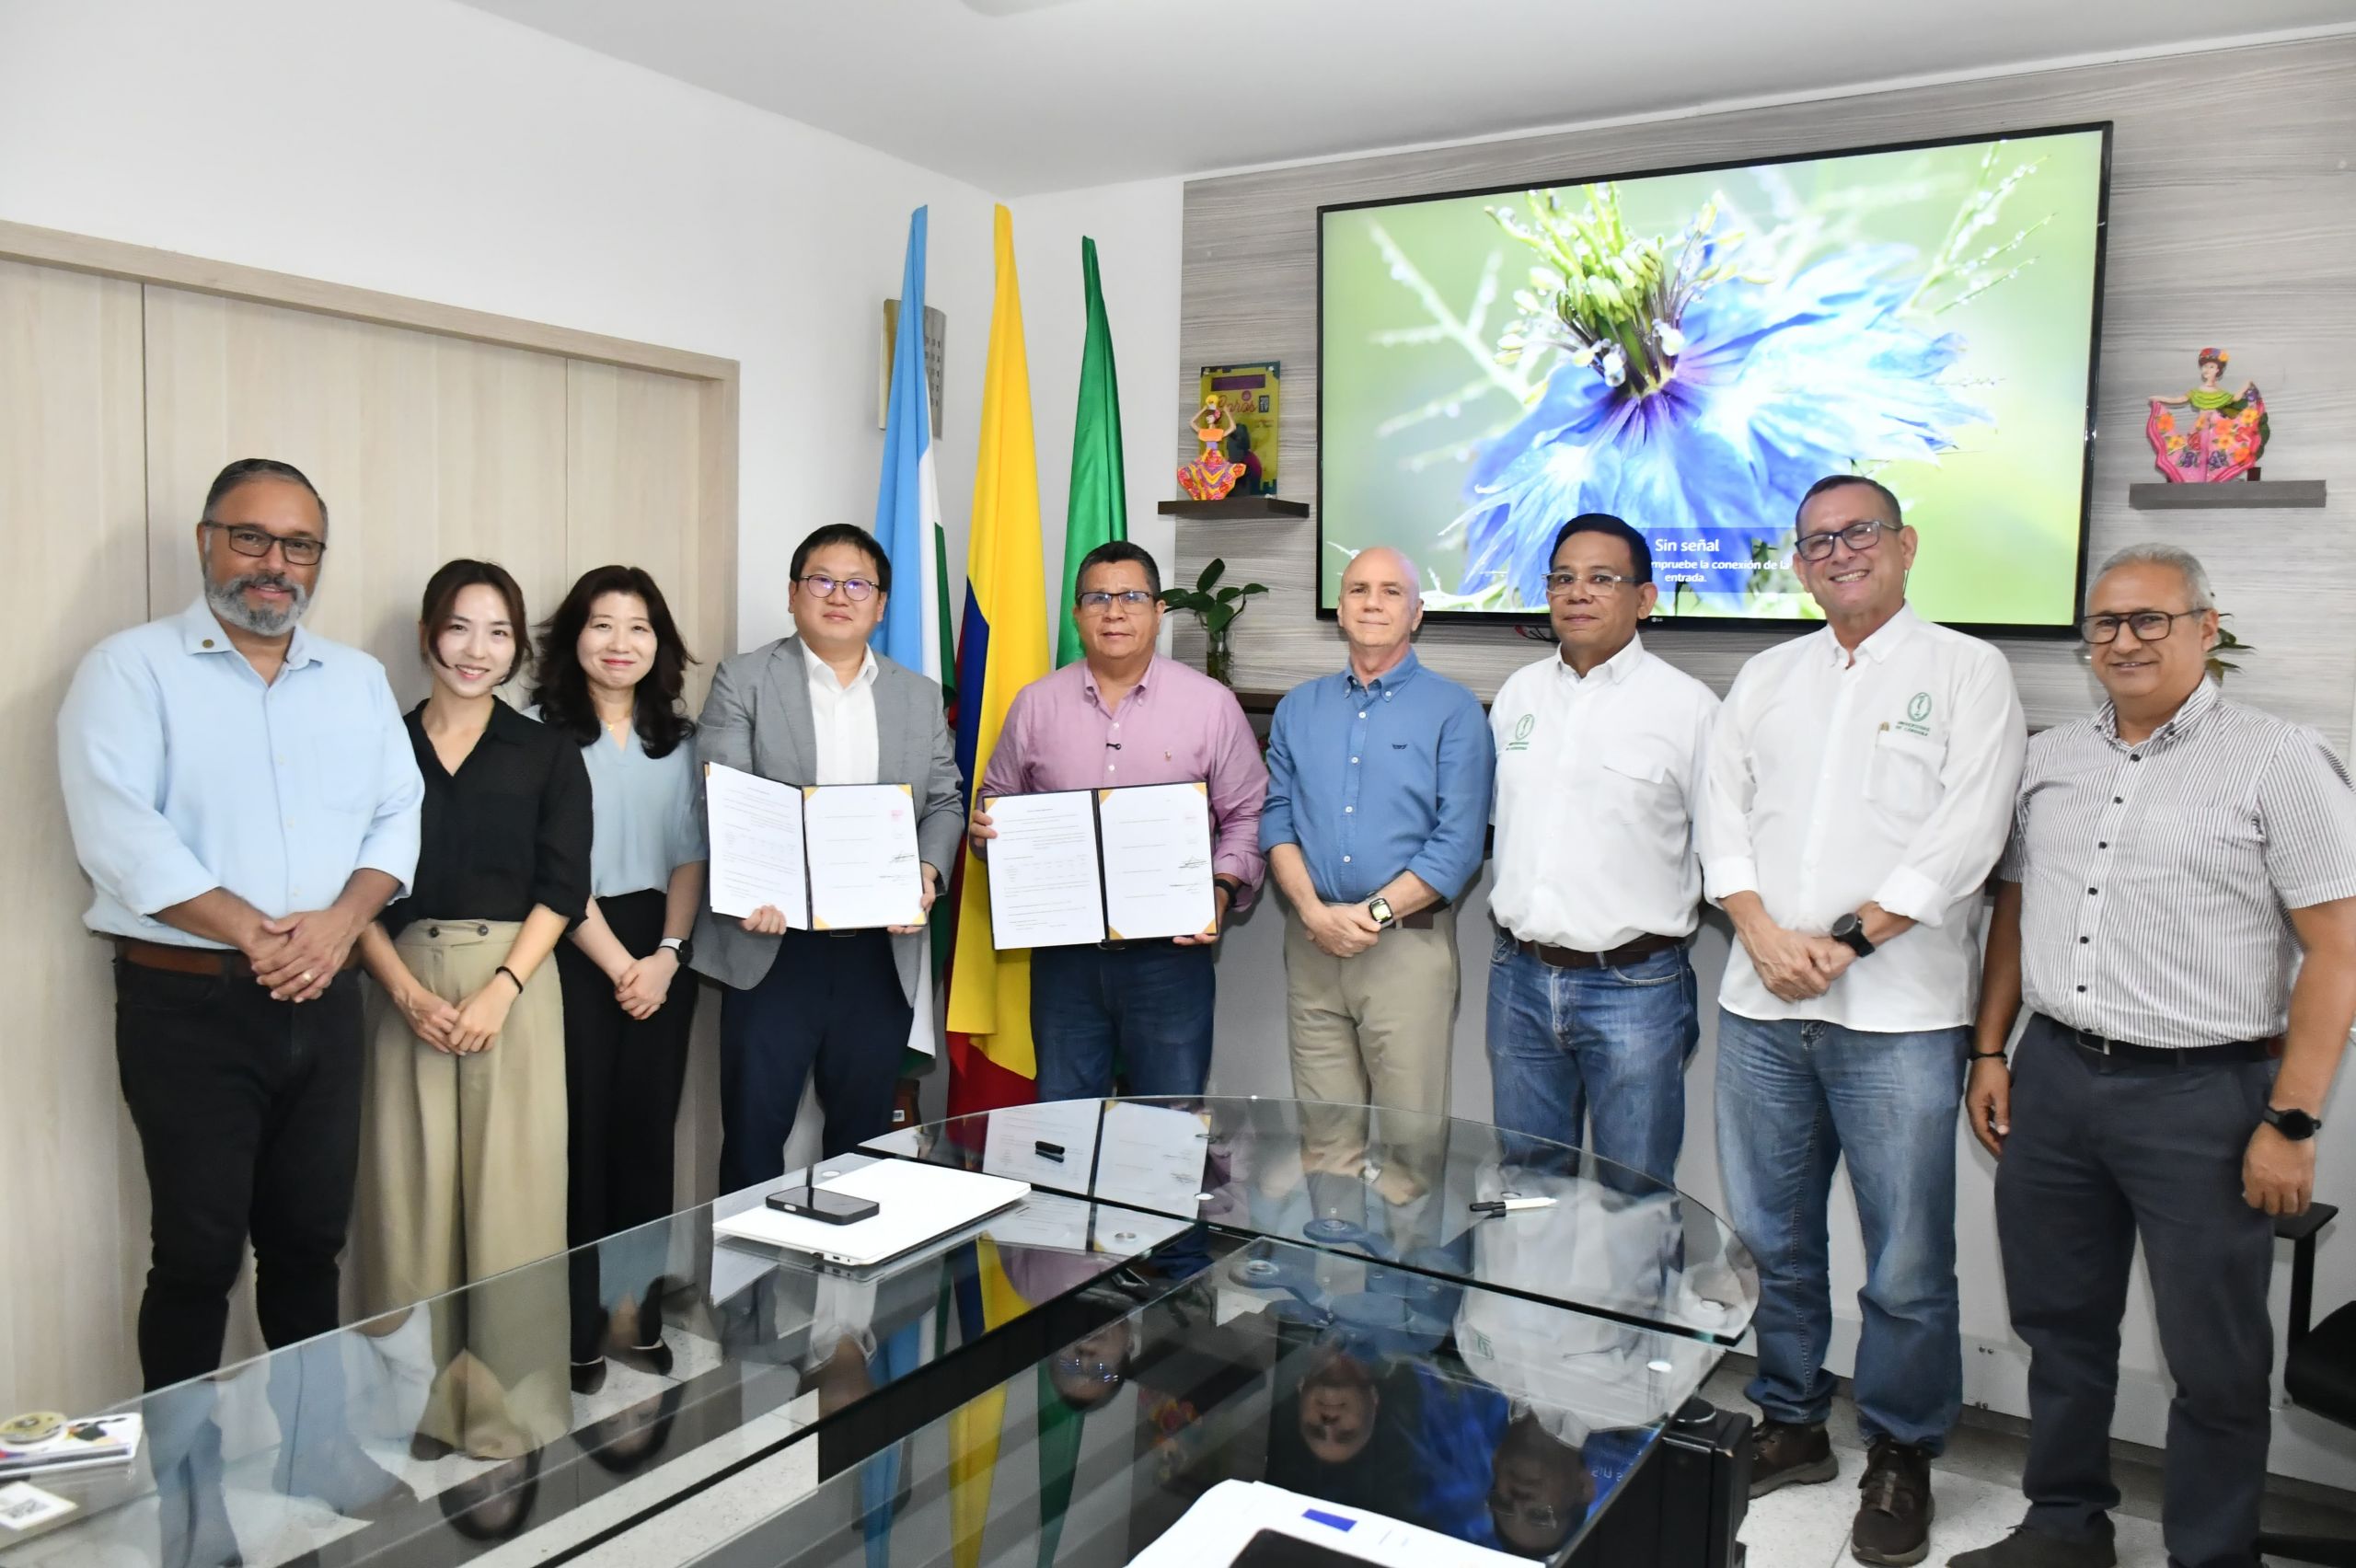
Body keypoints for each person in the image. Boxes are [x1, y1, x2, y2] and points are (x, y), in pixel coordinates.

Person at [1954, 545, 2356, 1568]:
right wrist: (1989, 1049)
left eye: (2150, 620)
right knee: (2060, 1328)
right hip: (2053, 1080)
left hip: (2204, 1098)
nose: (2124, 641)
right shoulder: (2053, 758)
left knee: (2214, 1362)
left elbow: (2339, 955)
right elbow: (2014, 912)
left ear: (2204, 628)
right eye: (2105, 624)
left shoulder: (2278, 758)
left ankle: (2209, 1557)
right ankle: (2062, 1526)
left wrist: (2293, 1120)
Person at [56, 456, 424, 1537]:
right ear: (207, 541)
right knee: (197, 1258)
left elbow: (396, 820)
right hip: (189, 1011)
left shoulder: (354, 680)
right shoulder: (128, 671)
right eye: (252, 538)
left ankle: (317, 1452)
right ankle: (188, 1499)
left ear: (320, 557)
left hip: (327, 1001)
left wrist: (340, 921)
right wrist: (264, 936)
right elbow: (121, 833)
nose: (275, 565)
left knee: (311, 1246)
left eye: (298, 544)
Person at [1698, 475, 2025, 1565]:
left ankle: (1900, 1449)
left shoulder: (1967, 672)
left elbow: (1965, 837)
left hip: (1898, 1015)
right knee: (1773, 1240)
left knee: (1907, 1261)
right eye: (1816, 542)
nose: (1838, 553)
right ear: (1797, 564)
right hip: (1759, 1005)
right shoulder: (1766, 675)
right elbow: (1720, 810)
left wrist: (1845, 939)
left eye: (1859, 535)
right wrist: (1753, 926)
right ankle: (1791, 1418)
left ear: (1905, 545)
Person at [354, 559, 591, 1461]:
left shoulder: (547, 753)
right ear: (426, 636)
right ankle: (413, 1408)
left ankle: (507, 1413)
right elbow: (353, 891)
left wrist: (501, 989)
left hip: (515, 988)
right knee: (405, 1201)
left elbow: (563, 886)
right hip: (398, 981)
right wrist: (406, 991)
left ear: (516, 649)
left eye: (498, 633)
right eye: (459, 628)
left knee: (514, 1202)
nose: (476, 650)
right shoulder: (381, 745)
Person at [692, 523, 963, 1187]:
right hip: (773, 948)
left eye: (857, 584)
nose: (839, 595)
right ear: (792, 593)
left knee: (862, 1145)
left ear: (880, 603)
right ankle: (748, 1293)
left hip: (879, 952)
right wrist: (748, 884)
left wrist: (925, 873)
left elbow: (946, 803)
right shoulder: (744, 680)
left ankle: (849, 1288)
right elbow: (722, 800)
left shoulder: (918, 695)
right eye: (822, 579)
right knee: (755, 1143)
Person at [971, 540, 1268, 1101]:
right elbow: (996, 798)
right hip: (1064, 961)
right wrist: (987, 831)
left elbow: (1248, 812)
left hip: (1169, 961)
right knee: (1064, 1129)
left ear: (1159, 611)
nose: (1114, 611)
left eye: (1132, 596)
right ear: (1077, 614)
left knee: (1167, 1129)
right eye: (1098, 598)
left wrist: (1221, 891)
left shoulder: (1210, 705)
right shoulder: (1036, 705)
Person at [1484, 513, 1717, 1187]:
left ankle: (1638, 1301)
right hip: (1520, 981)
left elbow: (1722, 852)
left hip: (1635, 989)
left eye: (1601, 579)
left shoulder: (1689, 708)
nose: (1577, 593)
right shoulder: (1518, 697)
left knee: (1635, 1191)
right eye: (1563, 578)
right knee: (1526, 1184)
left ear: (1644, 599)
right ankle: (1528, 1298)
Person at [1261, 545, 1491, 1206]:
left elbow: (1458, 844)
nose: (1372, 602)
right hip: (1311, 942)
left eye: (1392, 592)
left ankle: (1408, 1305)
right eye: (1359, 589)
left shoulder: (1454, 712)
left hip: (1405, 950)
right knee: (1326, 1136)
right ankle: (1333, 1294)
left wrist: (1372, 917)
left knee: (1410, 1146)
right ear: (1340, 608)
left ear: (1416, 614)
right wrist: (1312, 912)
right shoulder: (1298, 709)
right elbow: (1276, 820)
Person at [530, 566, 707, 1396]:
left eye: (639, 627)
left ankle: (634, 1310)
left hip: (662, 952)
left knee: (646, 1136)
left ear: (659, 644)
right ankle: (574, 1324)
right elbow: (554, 870)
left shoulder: (684, 739)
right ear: (574, 637)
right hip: (568, 944)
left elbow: (689, 856)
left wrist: (668, 955)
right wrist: (617, 963)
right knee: (580, 1145)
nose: (620, 644)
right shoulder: (535, 734)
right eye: (602, 625)